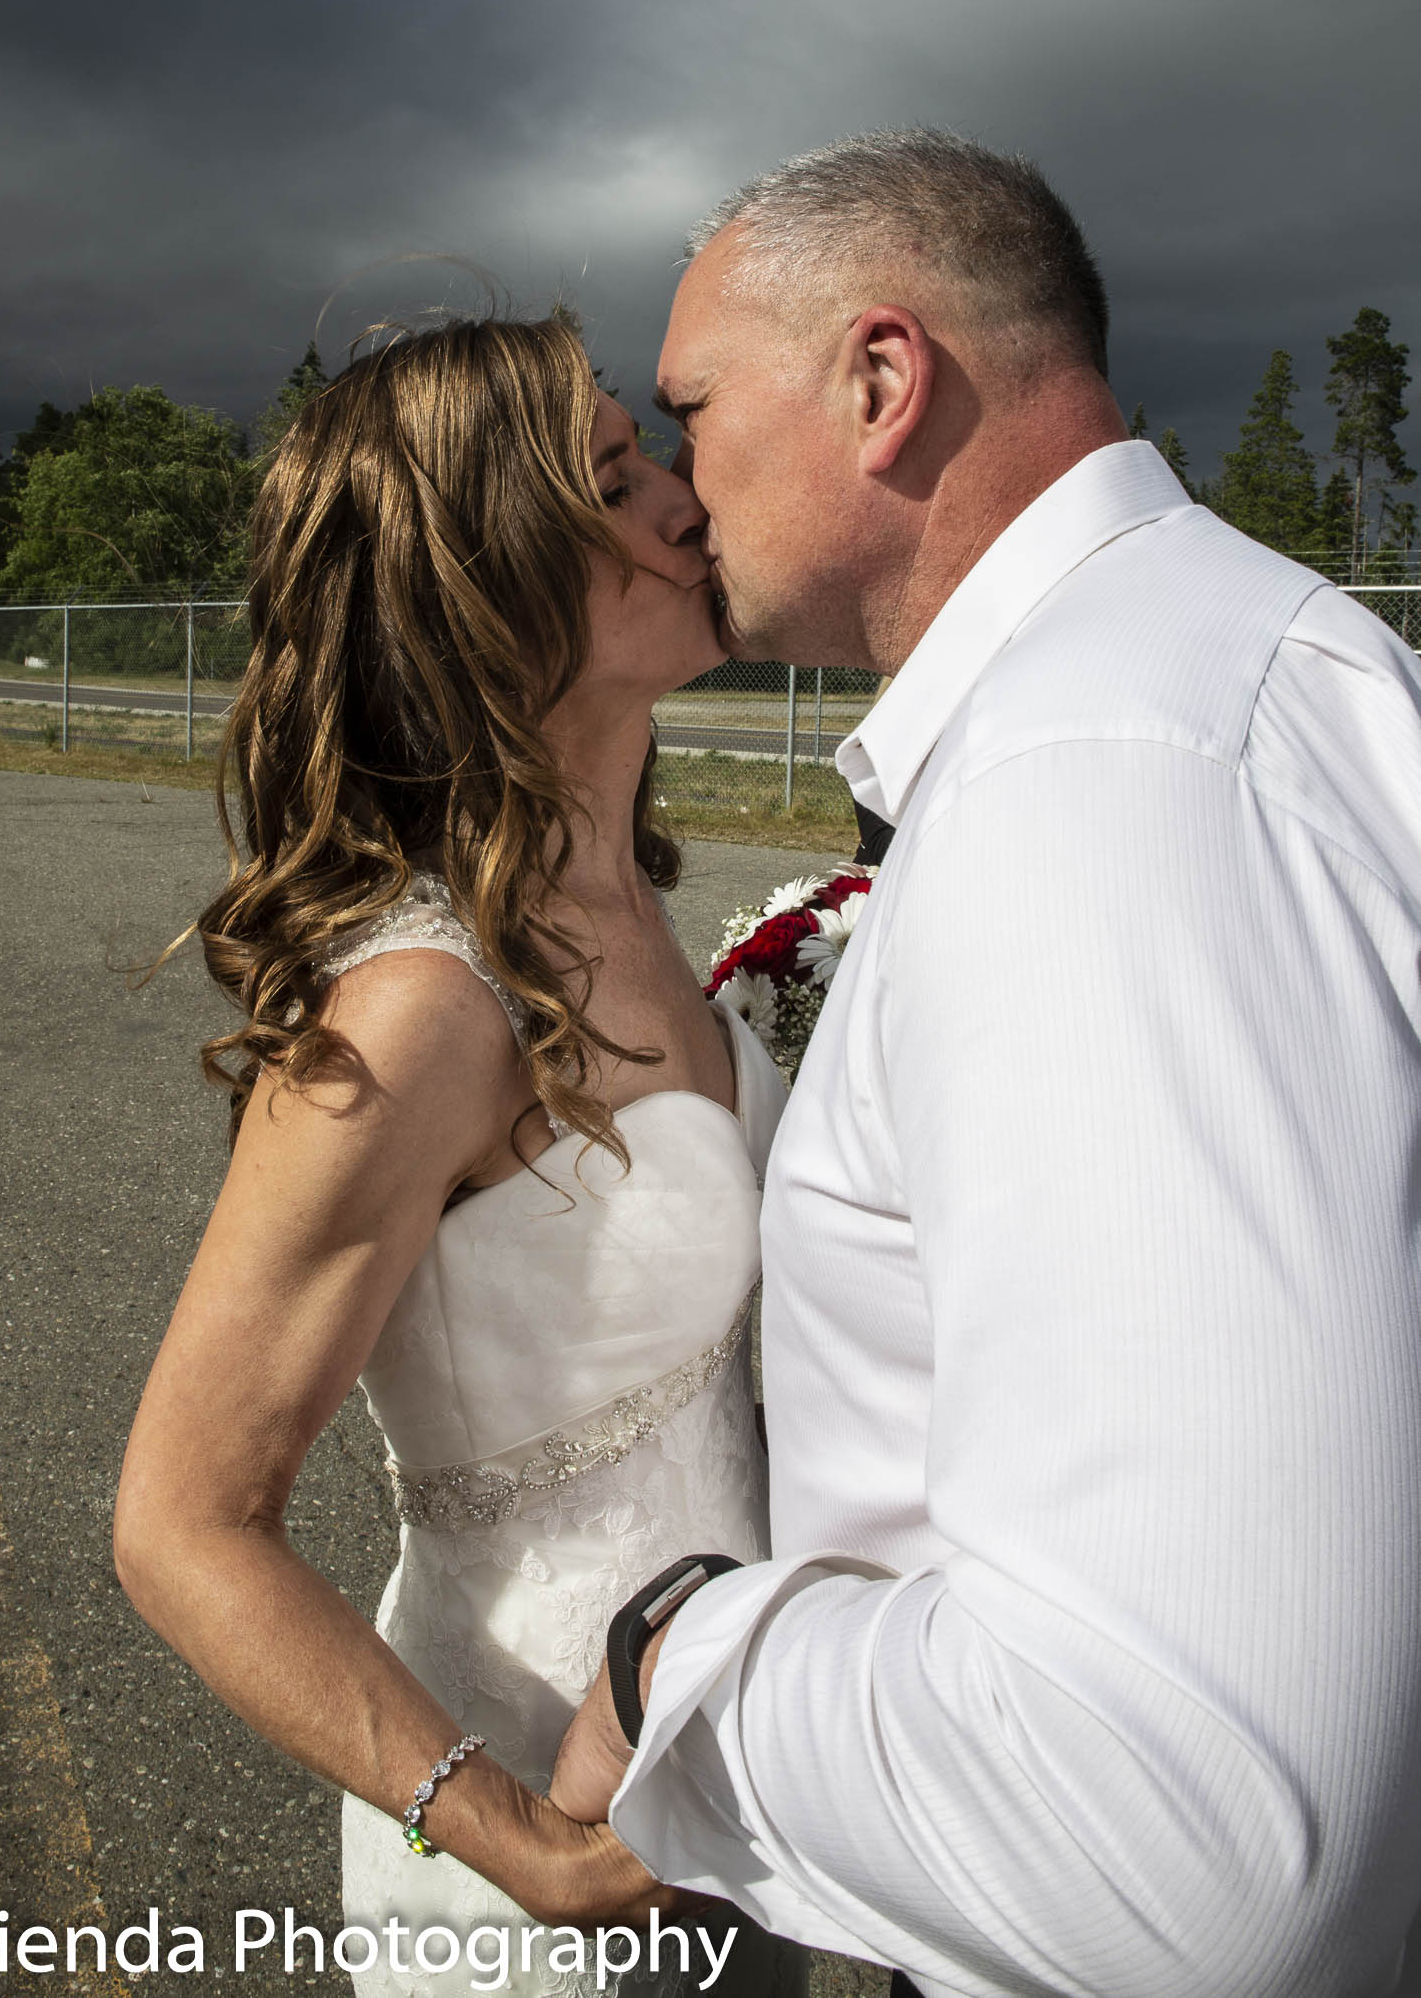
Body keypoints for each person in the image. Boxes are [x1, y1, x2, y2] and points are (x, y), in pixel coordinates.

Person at [551, 129, 1421, 1998]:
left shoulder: (1096, 782)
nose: (683, 488)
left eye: (692, 408)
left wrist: (682, 1652)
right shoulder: (1248, 660)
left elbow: (1207, 1860)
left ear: (881, 383)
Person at [113, 308, 804, 1996]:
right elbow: (183, 1521)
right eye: (619, 479)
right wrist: (512, 1842)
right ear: (488, 584)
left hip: (748, 1801)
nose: (689, 504)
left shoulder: (639, 908)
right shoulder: (420, 1009)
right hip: (540, 1883)